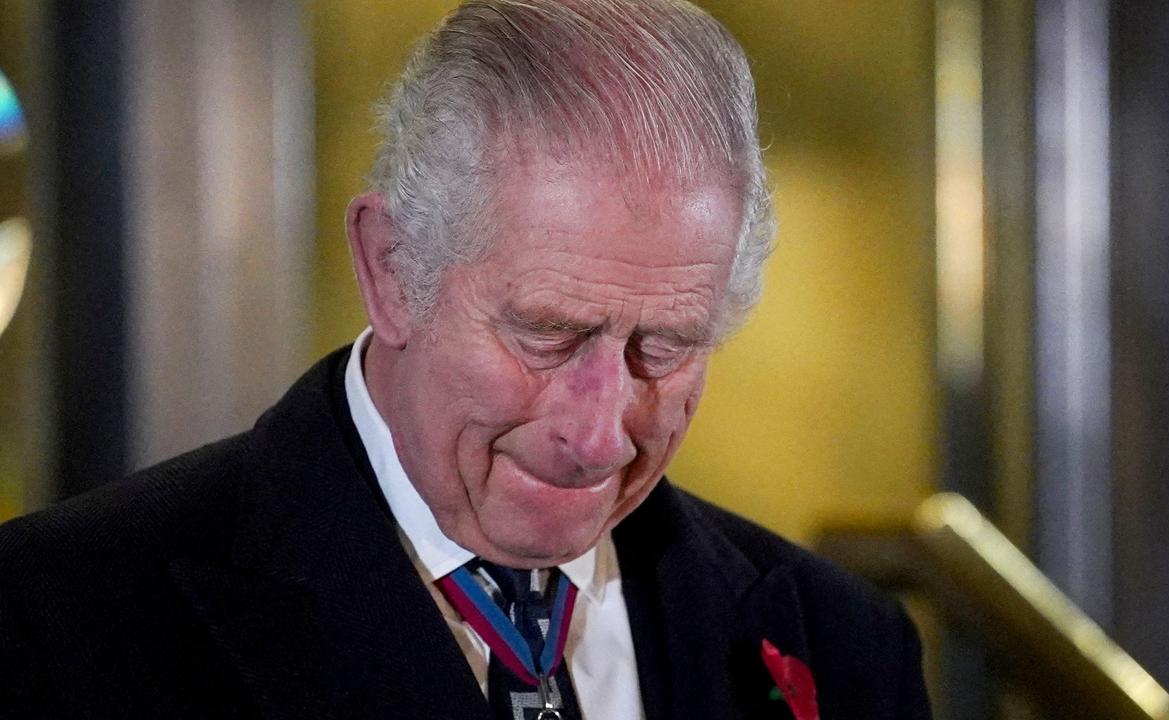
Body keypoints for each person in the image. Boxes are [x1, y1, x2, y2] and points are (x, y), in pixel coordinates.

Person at [0, 1, 931, 718]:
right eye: (548, 335)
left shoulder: (840, 643)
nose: (600, 434)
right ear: (392, 268)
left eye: (666, 346)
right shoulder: (57, 620)